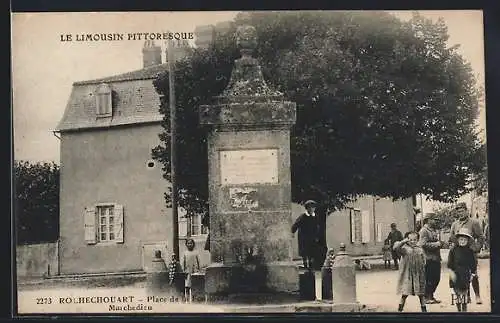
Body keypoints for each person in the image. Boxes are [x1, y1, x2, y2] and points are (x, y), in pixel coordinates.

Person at [449, 202, 485, 305]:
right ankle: (466, 296)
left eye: (462, 211)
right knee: (461, 275)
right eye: (458, 211)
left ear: (466, 211)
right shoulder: (454, 224)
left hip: (470, 253)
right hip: (458, 254)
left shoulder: (474, 222)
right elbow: (452, 238)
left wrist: (476, 248)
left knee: (473, 274)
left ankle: (477, 295)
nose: (460, 213)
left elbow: (481, 237)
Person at [393, 231, 427, 312]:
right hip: (407, 274)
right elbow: (396, 248)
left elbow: (424, 260)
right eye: (410, 239)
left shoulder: (419, 249)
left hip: (418, 274)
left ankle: (424, 309)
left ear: (417, 240)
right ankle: (400, 309)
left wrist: (422, 266)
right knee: (405, 292)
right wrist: (403, 242)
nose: (413, 241)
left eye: (415, 240)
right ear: (407, 239)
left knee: (421, 293)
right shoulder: (404, 249)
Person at [418, 212, 446, 304]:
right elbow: (423, 244)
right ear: (428, 220)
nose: (435, 221)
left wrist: (441, 243)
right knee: (429, 278)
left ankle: (431, 296)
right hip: (428, 258)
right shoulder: (424, 230)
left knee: (436, 278)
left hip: (436, 258)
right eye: (433, 219)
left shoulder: (433, 230)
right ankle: (427, 297)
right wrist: (437, 244)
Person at [448, 228, 478, 312]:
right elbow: (449, 264)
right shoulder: (453, 250)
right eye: (461, 239)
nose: (462, 241)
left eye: (465, 240)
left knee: (464, 293)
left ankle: (464, 311)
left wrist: (472, 274)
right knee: (457, 293)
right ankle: (459, 310)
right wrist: (451, 273)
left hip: (465, 274)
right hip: (455, 274)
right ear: (457, 240)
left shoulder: (470, 251)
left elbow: (473, 264)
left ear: (468, 240)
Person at [292, 200, 324, 270]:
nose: (312, 209)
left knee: (312, 252)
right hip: (304, 237)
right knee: (305, 252)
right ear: (307, 208)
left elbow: (317, 226)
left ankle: (311, 267)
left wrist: (317, 236)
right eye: (310, 208)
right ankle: (306, 266)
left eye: (313, 208)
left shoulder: (315, 216)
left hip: (312, 237)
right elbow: (296, 224)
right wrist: (292, 232)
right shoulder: (303, 216)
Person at [182, 238, 200, 303]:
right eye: (188, 243)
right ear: (186, 244)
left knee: (194, 285)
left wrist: (198, 269)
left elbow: (198, 262)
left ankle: (194, 299)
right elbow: (183, 262)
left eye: (191, 243)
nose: (190, 244)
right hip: (187, 271)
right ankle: (187, 299)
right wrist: (183, 270)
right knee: (187, 286)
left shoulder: (196, 252)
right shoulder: (185, 253)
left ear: (193, 244)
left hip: (194, 271)